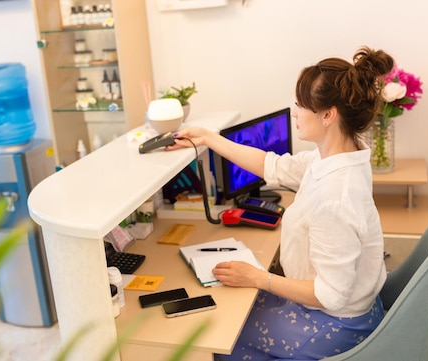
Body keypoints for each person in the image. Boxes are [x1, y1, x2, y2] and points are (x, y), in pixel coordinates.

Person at [167, 46, 395, 360]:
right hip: (345, 307)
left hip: (337, 325)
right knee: (235, 306)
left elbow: (329, 295)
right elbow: (274, 166)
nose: (295, 112)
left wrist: (259, 277)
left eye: (301, 105)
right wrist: (208, 138)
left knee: (220, 334)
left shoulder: (335, 199)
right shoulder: (342, 155)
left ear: (328, 115)